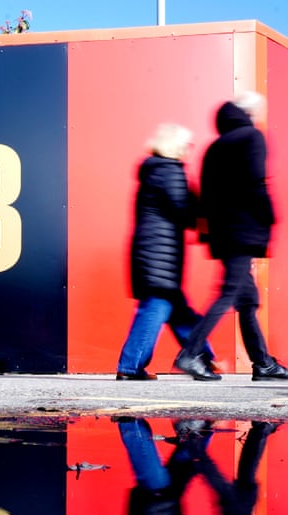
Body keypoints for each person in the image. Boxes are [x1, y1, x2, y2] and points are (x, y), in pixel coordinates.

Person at [173, 92, 288, 382]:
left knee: (247, 299)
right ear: (250, 114)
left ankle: (263, 363)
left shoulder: (214, 147)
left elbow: (205, 196)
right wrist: (269, 217)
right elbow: (256, 181)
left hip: (222, 233)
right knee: (229, 292)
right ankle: (190, 353)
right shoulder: (252, 137)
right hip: (244, 230)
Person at [116, 123, 214, 380]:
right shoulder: (168, 170)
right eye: (187, 145)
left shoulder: (155, 169)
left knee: (179, 310)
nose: (189, 150)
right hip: (159, 257)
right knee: (155, 308)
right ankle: (130, 366)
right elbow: (183, 211)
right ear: (176, 145)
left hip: (154, 254)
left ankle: (202, 355)